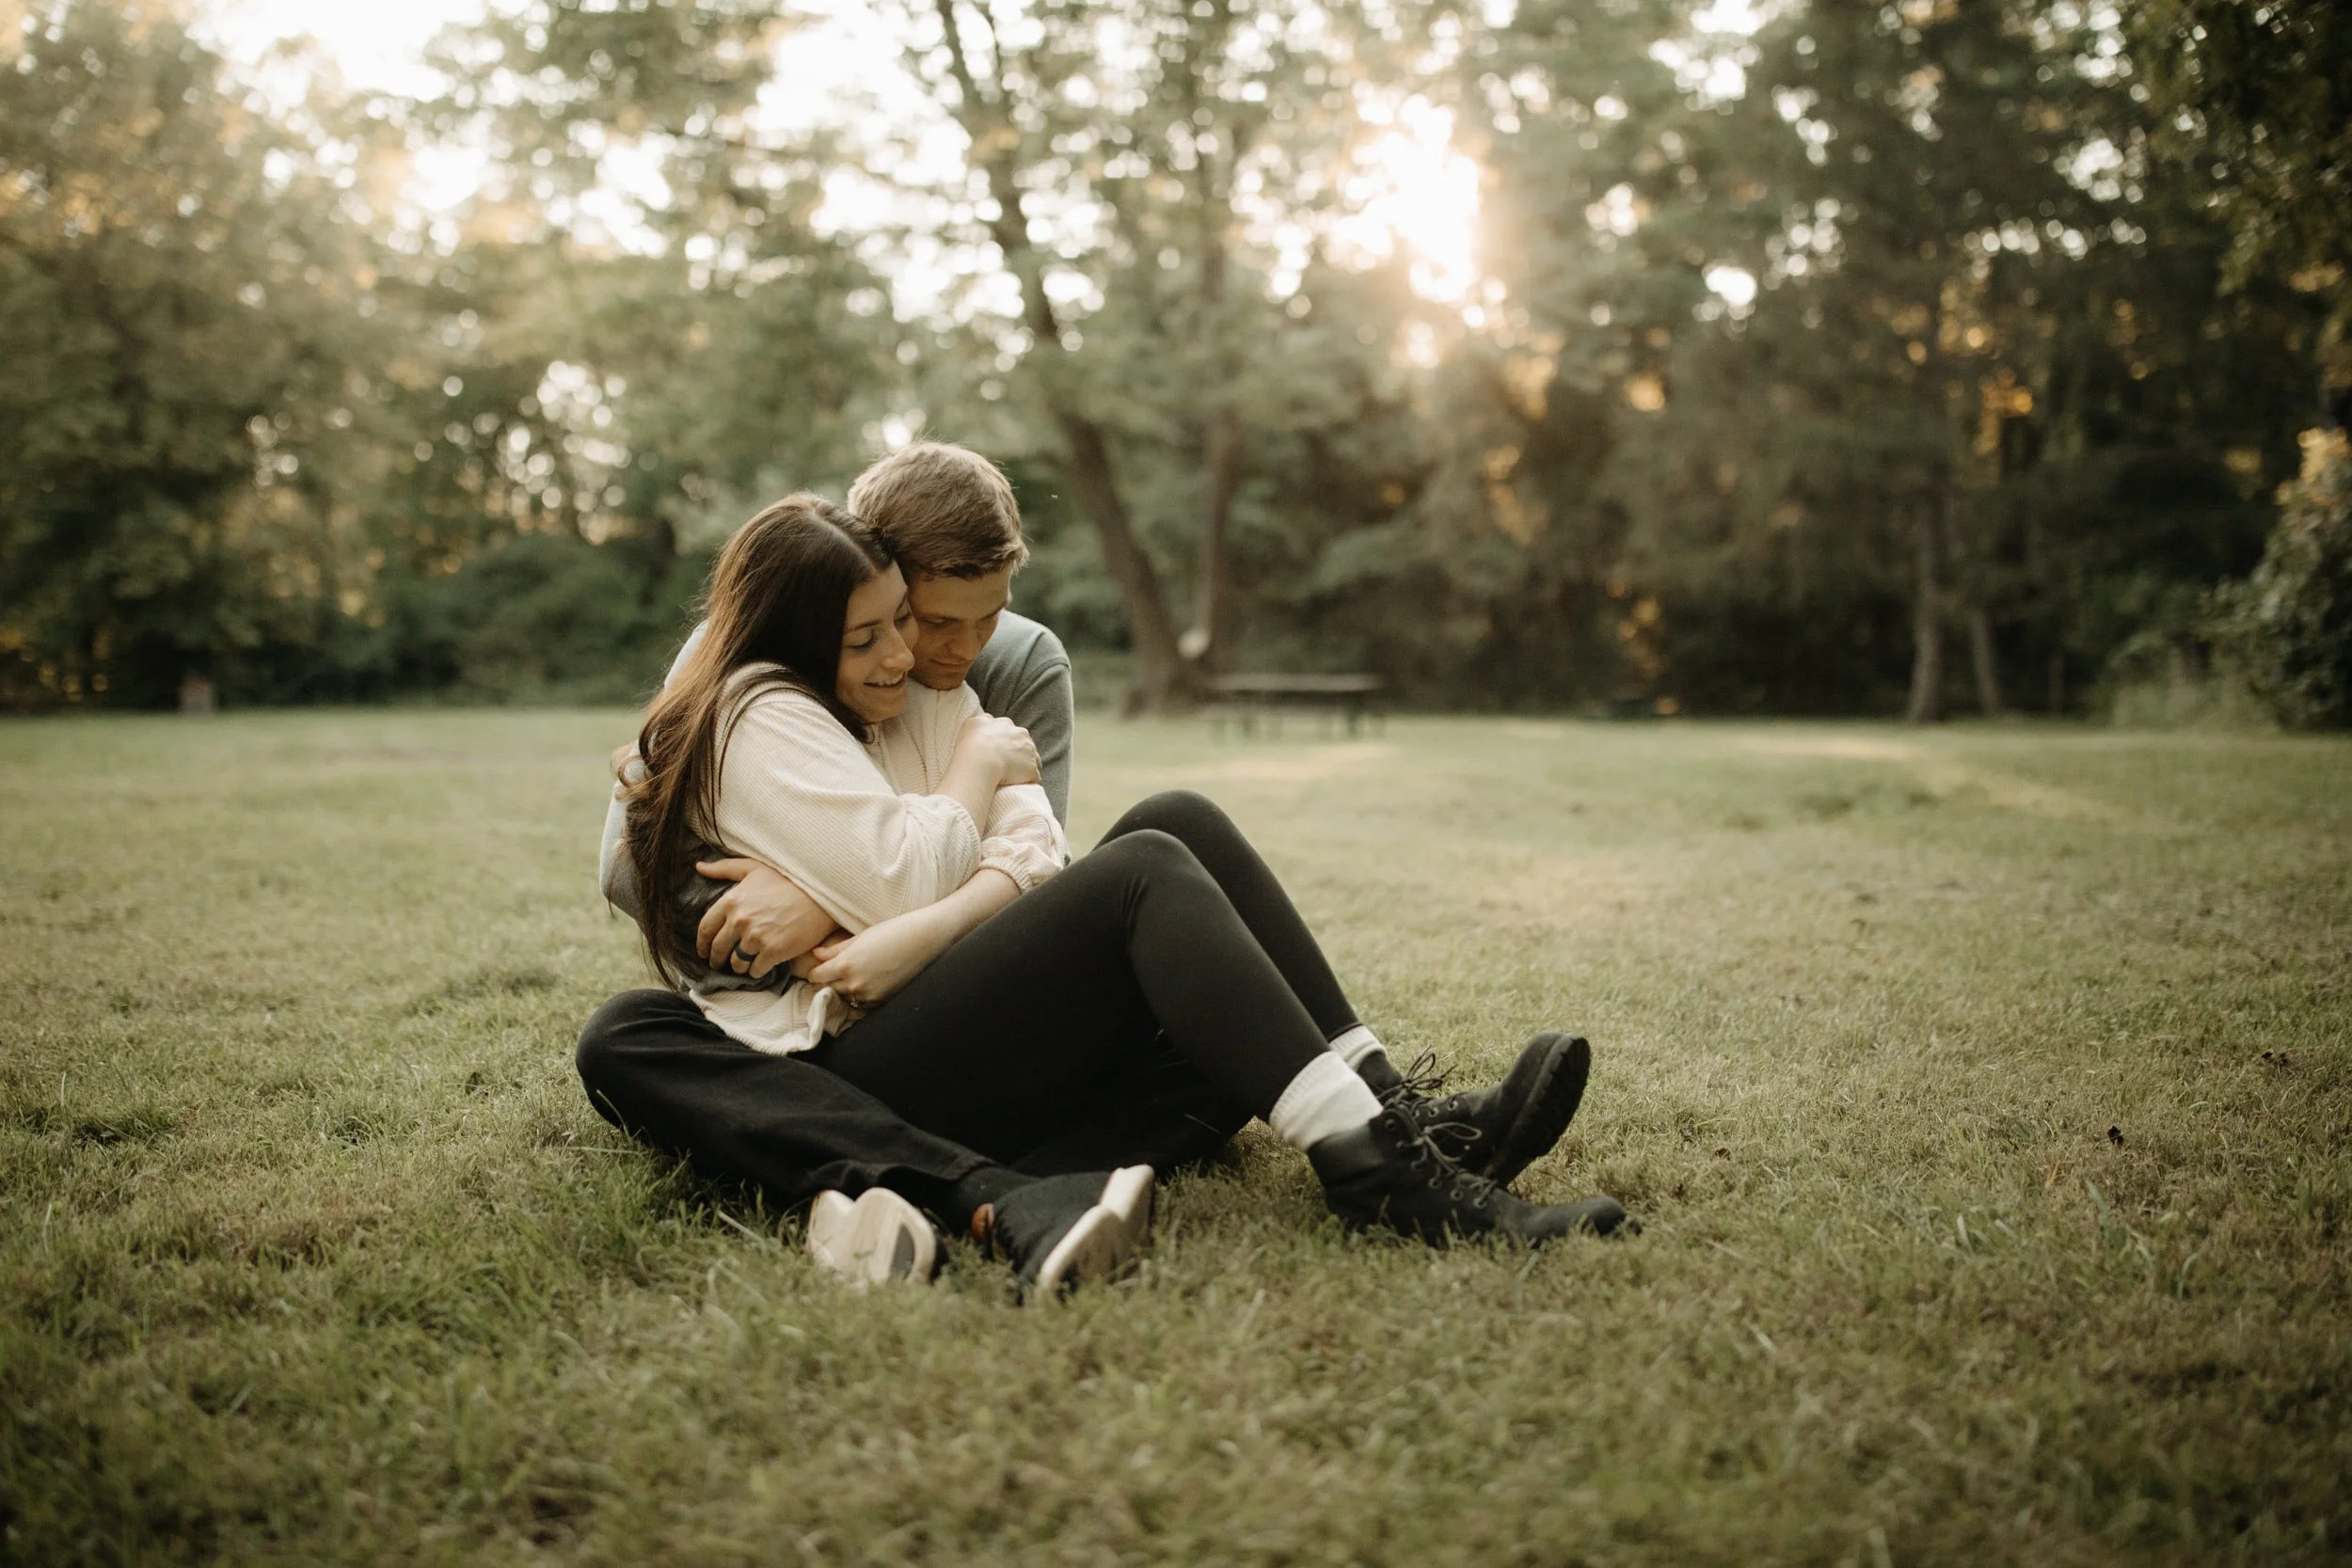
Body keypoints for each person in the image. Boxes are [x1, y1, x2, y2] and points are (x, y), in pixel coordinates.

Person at [577, 492, 1633, 1299]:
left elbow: (1037, 842)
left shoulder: (919, 691)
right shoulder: (763, 710)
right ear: (800, 638)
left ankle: (1394, 1117)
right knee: (1143, 880)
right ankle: (1380, 1176)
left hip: (936, 1000)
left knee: (1183, 842)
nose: (917, 650)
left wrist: (927, 890)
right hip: (858, 1047)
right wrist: (957, 801)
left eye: (913, 620)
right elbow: (909, 860)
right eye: (877, 633)